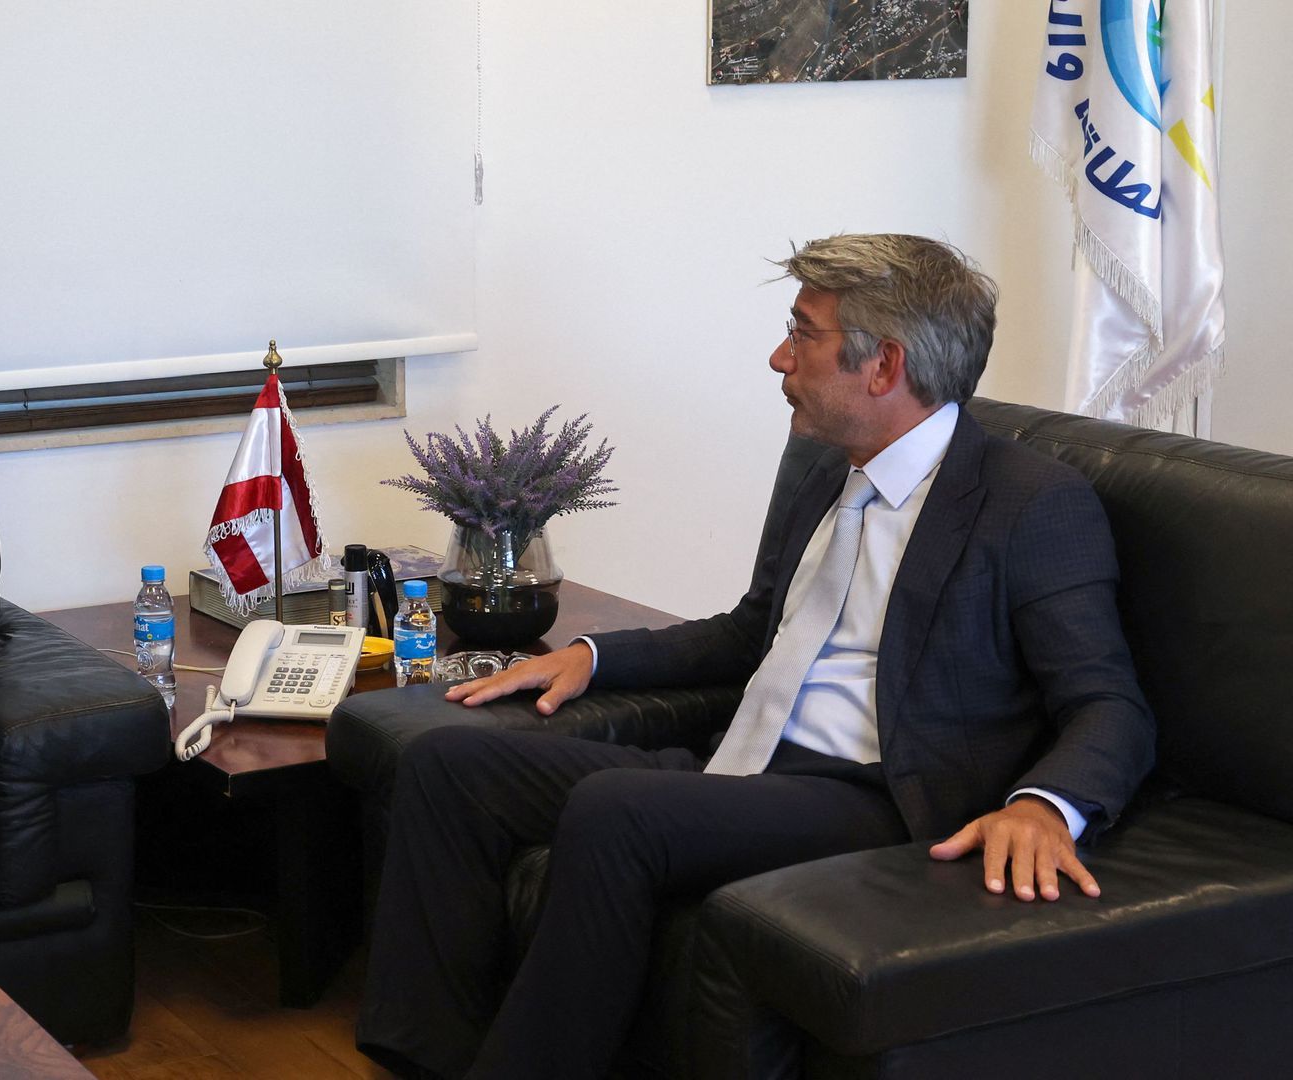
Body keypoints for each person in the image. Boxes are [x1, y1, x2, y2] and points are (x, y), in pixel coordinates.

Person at [355, 234, 1155, 1079]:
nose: (779, 357)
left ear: (882, 366)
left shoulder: (1028, 502)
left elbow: (1109, 703)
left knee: (616, 812)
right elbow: (753, 630)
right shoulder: (827, 468)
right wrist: (596, 656)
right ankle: (421, 1057)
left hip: (876, 794)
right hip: (744, 763)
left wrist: (1044, 807)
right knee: (449, 765)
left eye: (802, 334)